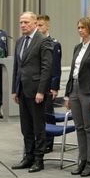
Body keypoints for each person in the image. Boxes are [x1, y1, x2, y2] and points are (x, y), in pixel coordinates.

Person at [11, 12, 53, 173]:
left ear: (35, 23)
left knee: (38, 127)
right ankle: (28, 157)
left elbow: (46, 68)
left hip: (36, 92)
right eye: (21, 22)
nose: (22, 25)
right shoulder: (20, 41)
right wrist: (15, 89)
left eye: (26, 22)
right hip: (22, 91)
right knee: (26, 127)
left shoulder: (43, 40)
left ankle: (39, 159)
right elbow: (17, 67)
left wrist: (41, 91)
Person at [64, 17, 90, 177]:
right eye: (78, 28)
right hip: (75, 88)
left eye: (83, 28)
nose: (80, 30)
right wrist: (67, 94)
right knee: (78, 127)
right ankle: (82, 160)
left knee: (89, 127)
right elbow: (72, 71)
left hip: (88, 90)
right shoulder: (78, 47)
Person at [36, 14, 62, 153]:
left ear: (47, 26)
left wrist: (54, 87)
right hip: (37, 84)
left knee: (48, 114)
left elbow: (55, 67)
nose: (38, 28)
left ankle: (49, 142)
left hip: (48, 86)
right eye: (37, 25)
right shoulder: (35, 42)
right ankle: (39, 140)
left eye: (41, 25)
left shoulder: (54, 43)